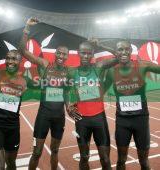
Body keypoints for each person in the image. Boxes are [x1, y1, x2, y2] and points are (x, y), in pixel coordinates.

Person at [19, 18, 69, 170]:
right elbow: (23, 51)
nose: (61, 56)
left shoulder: (68, 72)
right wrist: (27, 28)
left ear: (67, 56)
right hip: (43, 116)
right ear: (55, 54)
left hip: (59, 118)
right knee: (37, 152)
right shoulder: (45, 64)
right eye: (59, 53)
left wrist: (69, 107)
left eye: (64, 54)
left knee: (55, 151)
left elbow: (66, 92)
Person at [104, 40, 160, 170]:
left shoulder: (142, 66)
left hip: (141, 120)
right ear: (116, 53)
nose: (123, 52)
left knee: (144, 161)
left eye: (126, 49)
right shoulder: (112, 72)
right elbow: (101, 90)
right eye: (120, 50)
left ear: (130, 51)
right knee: (121, 161)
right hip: (122, 121)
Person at [66, 40, 118, 170]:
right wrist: (68, 106)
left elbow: (118, 56)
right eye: (83, 53)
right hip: (81, 120)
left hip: (99, 119)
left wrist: (100, 45)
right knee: (84, 157)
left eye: (89, 53)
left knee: (105, 159)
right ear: (78, 53)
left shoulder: (98, 67)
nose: (85, 56)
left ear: (93, 54)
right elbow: (65, 89)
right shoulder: (72, 72)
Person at [0, 50, 27, 170]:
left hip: (12, 126)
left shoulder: (25, 81)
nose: (10, 61)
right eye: (8, 58)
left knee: (11, 164)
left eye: (14, 59)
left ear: (20, 61)